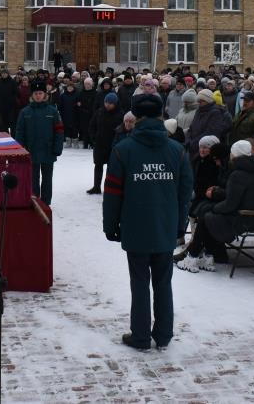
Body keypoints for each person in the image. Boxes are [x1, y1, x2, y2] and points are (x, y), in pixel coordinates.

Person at [103, 93, 192, 351]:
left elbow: (112, 193)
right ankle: (163, 334)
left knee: (139, 282)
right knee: (163, 282)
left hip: (135, 225)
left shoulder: (123, 151)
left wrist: (111, 225)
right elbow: (185, 192)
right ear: (161, 116)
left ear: (136, 117)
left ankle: (140, 335)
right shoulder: (177, 151)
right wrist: (179, 223)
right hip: (165, 226)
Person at [174, 139, 254, 273]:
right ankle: (207, 256)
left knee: (207, 216)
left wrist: (214, 207)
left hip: (242, 218)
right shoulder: (250, 169)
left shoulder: (238, 174)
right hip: (246, 214)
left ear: (235, 155)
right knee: (207, 213)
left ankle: (192, 256)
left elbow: (230, 204)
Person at [15, 79, 65, 205]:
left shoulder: (52, 111)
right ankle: (34, 201)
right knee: (33, 178)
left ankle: (46, 202)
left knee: (47, 179)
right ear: (32, 95)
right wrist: (20, 149)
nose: (38, 95)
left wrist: (57, 147)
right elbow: (19, 132)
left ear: (45, 95)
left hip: (48, 150)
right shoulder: (25, 112)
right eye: (36, 93)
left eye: (40, 93)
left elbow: (59, 131)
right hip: (30, 151)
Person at [88, 92, 123, 195]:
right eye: (106, 102)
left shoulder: (120, 114)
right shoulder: (99, 112)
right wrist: (94, 138)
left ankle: (109, 188)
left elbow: (122, 130)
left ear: (115, 103)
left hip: (113, 146)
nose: (107, 104)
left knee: (111, 168)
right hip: (99, 144)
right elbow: (92, 126)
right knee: (98, 166)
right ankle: (96, 187)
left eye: (110, 103)